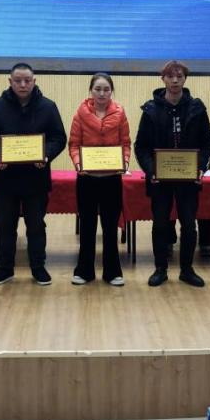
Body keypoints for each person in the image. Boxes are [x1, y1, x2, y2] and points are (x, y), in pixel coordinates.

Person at [0, 63, 67, 285]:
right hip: (5, 178)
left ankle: (38, 267)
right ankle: (5, 268)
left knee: (36, 225)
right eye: (18, 81)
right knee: (5, 225)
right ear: (10, 82)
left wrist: (46, 154)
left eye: (27, 80)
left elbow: (59, 138)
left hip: (36, 178)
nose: (23, 84)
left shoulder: (48, 106)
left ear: (34, 81)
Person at [134, 60, 210, 288]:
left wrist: (200, 168)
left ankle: (187, 270)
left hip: (188, 180)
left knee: (189, 225)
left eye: (179, 76)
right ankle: (160, 269)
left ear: (185, 79)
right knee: (160, 224)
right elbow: (141, 146)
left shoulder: (197, 108)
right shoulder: (150, 109)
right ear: (163, 79)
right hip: (160, 180)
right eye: (170, 76)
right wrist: (151, 170)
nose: (175, 80)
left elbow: (207, 144)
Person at [68, 72, 131, 286]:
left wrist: (124, 162)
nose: (102, 93)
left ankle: (112, 272)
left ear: (111, 91)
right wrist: (78, 163)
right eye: (98, 89)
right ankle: (84, 271)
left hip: (111, 179)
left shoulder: (120, 113)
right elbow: (74, 144)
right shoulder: (80, 113)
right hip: (87, 179)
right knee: (87, 226)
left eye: (106, 89)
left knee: (110, 227)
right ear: (91, 91)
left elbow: (125, 143)